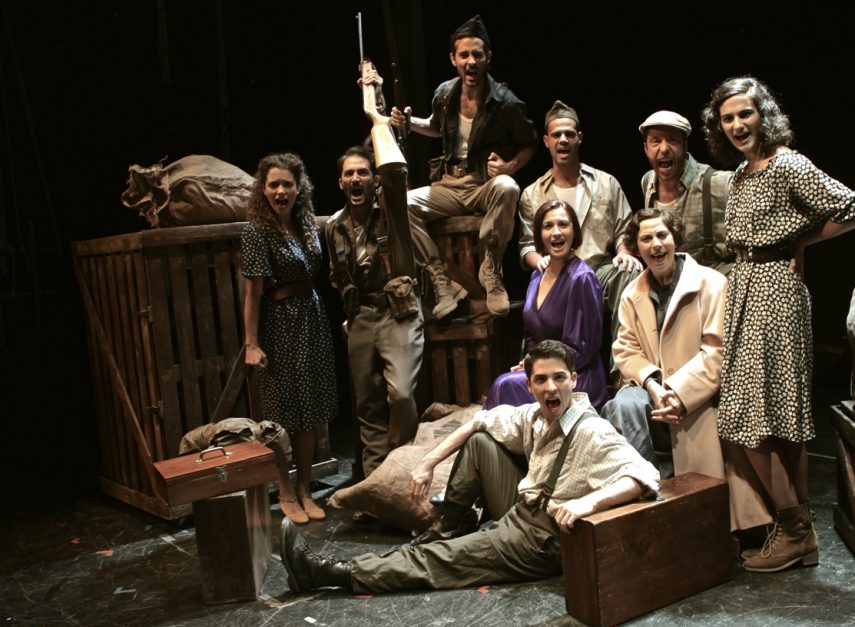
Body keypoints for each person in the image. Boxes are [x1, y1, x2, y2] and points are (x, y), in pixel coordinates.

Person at [279, 340, 659, 595]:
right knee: (480, 440)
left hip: (542, 541)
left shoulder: (591, 430)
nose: (550, 388)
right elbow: (479, 420)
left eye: (559, 378)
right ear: (529, 385)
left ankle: (331, 573)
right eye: (541, 380)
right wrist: (428, 462)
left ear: (573, 380)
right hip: (524, 509)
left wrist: (587, 504)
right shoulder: (533, 416)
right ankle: (447, 527)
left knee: (438, 561)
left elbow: (645, 476)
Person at [700, 76, 855, 572]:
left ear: (764, 115)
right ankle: (800, 532)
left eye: (746, 114)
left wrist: (799, 241)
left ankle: (795, 529)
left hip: (774, 292)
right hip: (746, 288)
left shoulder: (786, 164)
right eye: (728, 118)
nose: (737, 125)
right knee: (770, 417)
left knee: (750, 418)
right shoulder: (741, 173)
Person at [392, 15, 537, 317]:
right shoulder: (445, 94)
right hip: (450, 184)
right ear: (453, 59)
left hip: (483, 185)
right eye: (464, 55)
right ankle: (441, 280)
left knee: (508, 187)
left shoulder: (505, 102)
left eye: (477, 55)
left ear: (488, 57)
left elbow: (530, 142)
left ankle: (491, 268)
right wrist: (409, 122)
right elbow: (436, 127)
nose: (471, 62)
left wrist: (509, 166)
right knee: (402, 204)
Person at [324, 67, 422, 500]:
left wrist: (375, 110)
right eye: (348, 175)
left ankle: (399, 475)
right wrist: (350, 315)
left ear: (374, 178)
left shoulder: (392, 208)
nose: (355, 180)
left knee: (400, 395)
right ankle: (374, 489)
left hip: (397, 313)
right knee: (366, 405)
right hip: (362, 317)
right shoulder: (334, 226)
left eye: (363, 173)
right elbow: (337, 274)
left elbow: (396, 170)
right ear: (340, 182)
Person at [242, 152, 338, 525]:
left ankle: (304, 488)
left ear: (299, 188)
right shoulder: (256, 231)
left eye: (287, 184)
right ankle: (284, 489)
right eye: (274, 185)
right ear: (263, 189)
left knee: (309, 410)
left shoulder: (307, 224)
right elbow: (253, 295)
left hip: (311, 319)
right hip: (279, 323)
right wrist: (252, 343)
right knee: (283, 413)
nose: (281, 191)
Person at [602, 208, 727, 484]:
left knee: (702, 487)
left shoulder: (712, 283)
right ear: (637, 248)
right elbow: (625, 349)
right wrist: (653, 385)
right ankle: (641, 488)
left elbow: (716, 352)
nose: (656, 245)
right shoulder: (632, 293)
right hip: (653, 394)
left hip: (700, 396)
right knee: (622, 405)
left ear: (675, 239)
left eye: (662, 235)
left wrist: (678, 394)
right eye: (646, 239)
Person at [517, 100, 640, 360]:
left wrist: (624, 251)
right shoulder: (532, 193)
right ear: (547, 141)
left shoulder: (606, 183)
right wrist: (540, 261)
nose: (563, 140)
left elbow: (625, 230)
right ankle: (536, 365)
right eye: (557, 135)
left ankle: (622, 366)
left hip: (597, 271)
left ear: (579, 138)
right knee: (537, 285)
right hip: (556, 273)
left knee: (628, 272)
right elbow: (526, 245)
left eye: (569, 134)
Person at [486, 200, 606, 410]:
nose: (556, 232)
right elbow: (531, 336)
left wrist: (539, 364)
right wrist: (531, 361)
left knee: (504, 385)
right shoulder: (537, 276)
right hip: (543, 371)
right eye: (548, 226)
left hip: (574, 377)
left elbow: (582, 349)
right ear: (539, 235)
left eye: (563, 224)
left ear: (574, 232)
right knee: (505, 383)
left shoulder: (582, 278)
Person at [639, 110, 734, 274]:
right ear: (646, 148)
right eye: (656, 141)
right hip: (670, 279)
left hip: (715, 278)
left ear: (684, 146)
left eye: (672, 140)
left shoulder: (716, 182)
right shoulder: (647, 182)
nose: (664, 148)